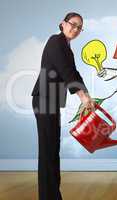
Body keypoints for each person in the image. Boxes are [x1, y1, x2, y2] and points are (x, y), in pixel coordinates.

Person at [31, 12, 95, 200]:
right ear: (62, 23)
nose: (75, 29)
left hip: (52, 101)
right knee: (48, 151)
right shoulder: (55, 41)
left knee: (53, 150)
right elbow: (66, 71)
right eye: (72, 24)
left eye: (79, 27)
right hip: (43, 99)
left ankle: (52, 196)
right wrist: (82, 96)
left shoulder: (66, 47)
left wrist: (88, 96)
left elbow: (73, 72)